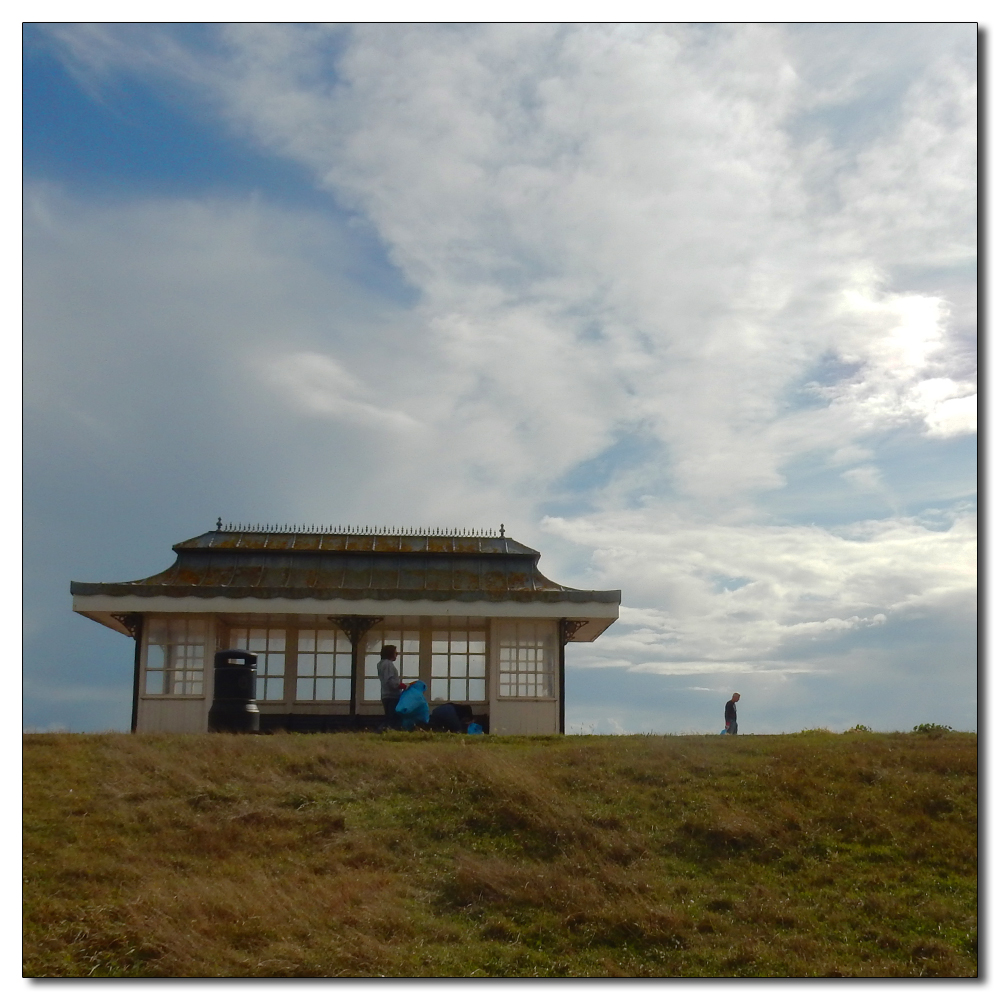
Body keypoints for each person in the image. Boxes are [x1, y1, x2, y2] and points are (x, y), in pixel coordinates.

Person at [377, 645, 404, 728]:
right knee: (393, 718)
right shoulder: (388, 664)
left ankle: (384, 731)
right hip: (393, 695)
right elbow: (390, 680)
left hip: (385, 694)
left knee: (389, 717)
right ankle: (384, 731)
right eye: (395, 652)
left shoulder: (381, 664)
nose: (397, 654)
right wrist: (401, 686)